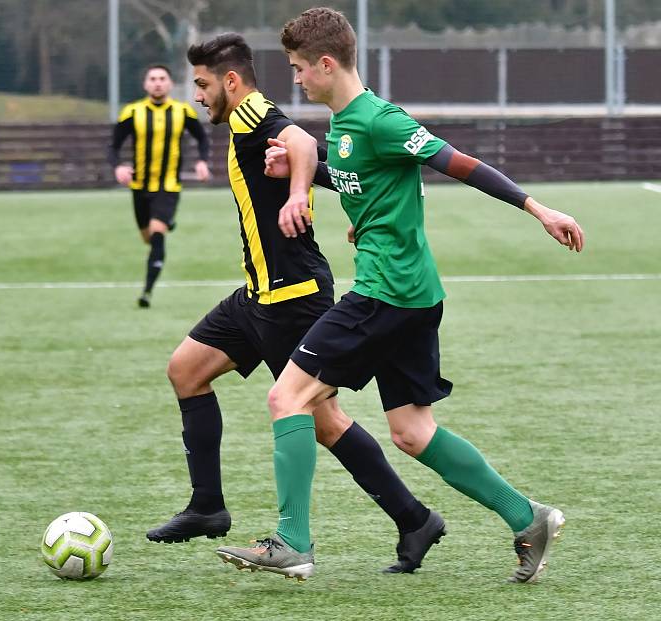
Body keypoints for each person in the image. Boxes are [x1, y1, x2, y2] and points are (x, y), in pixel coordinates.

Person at [215, 7, 584, 584]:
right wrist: (306, 172)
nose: (295, 80)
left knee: (287, 399)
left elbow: (458, 163)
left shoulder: (380, 119)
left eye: (298, 69)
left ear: (327, 63)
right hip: (412, 293)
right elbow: (363, 177)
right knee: (412, 432)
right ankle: (528, 518)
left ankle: (292, 541)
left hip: (386, 292)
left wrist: (537, 208)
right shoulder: (344, 126)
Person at [145, 33, 447, 579]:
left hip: (293, 296)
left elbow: (304, 144)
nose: (198, 95)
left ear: (230, 82)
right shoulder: (240, 120)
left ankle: (414, 518)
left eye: (203, 85)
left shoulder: (257, 112)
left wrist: (294, 194)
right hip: (256, 294)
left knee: (322, 419)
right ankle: (208, 507)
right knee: (186, 370)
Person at [107, 64, 212, 308]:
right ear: (145, 84)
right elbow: (113, 146)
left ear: (169, 83)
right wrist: (118, 166)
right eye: (152, 78)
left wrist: (202, 162)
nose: (157, 83)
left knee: (156, 235)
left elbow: (203, 138)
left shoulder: (182, 111)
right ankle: (167, 223)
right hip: (140, 187)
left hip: (168, 187)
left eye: (162, 78)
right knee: (148, 236)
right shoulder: (132, 112)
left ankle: (147, 291)